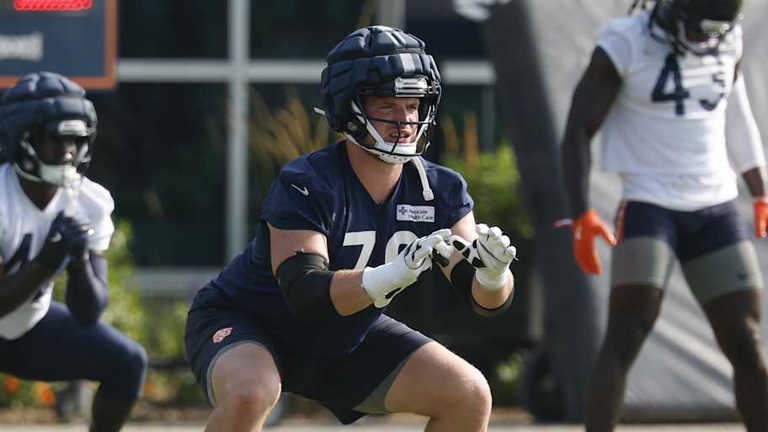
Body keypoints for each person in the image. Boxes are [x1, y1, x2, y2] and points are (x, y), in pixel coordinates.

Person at [184, 25, 517, 431]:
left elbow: (482, 300)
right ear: (348, 106)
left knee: (468, 394)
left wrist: (494, 275)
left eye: (413, 104)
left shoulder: (440, 189)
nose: (404, 120)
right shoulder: (307, 181)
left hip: (346, 335)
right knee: (251, 393)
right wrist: (387, 276)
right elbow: (306, 292)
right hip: (253, 322)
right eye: (387, 104)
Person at [560, 0, 768, 431]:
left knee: (746, 339)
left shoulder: (726, 35)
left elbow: (736, 113)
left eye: (713, 31)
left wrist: (760, 190)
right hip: (649, 202)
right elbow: (578, 130)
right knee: (626, 332)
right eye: (697, 29)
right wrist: (581, 213)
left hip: (716, 204)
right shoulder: (625, 41)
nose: (704, 40)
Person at [0, 72, 147, 431]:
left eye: (76, 139)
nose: (68, 151)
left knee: (127, 362)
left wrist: (79, 262)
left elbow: (89, 312)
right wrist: (48, 260)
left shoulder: (89, 201)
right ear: (24, 138)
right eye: (56, 138)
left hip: (28, 327)